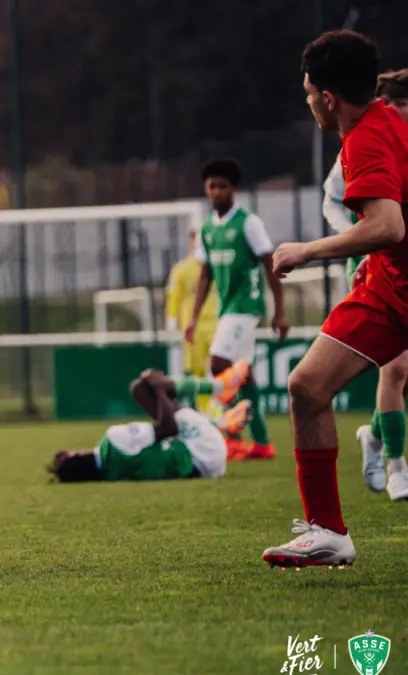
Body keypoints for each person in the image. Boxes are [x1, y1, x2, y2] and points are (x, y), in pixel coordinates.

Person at [264, 31, 408, 568]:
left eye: (307, 92)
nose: (307, 103)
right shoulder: (383, 119)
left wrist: (308, 250)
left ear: (327, 98)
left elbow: (387, 224)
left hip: (395, 280)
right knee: (306, 386)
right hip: (389, 285)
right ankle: (327, 531)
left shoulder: (368, 137)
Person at [185, 158, 289, 461]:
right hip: (227, 308)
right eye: (211, 186)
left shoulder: (248, 223)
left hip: (247, 305)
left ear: (233, 189)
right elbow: (205, 276)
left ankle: (231, 437)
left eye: (222, 186)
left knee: (218, 365)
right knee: (245, 377)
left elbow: (271, 266)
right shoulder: (206, 228)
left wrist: (279, 311)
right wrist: (192, 318)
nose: (216, 191)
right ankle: (261, 442)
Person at [349, 69, 408, 501]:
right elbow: (368, 217)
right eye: (398, 105)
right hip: (384, 273)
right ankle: (398, 466)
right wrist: (364, 257)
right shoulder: (363, 144)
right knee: (397, 368)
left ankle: (373, 436)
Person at [48, 365, 252, 484]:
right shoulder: (113, 440)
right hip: (206, 449)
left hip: (207, 469)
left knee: (164, 413)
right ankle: (219, 389)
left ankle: (220, 421)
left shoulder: (110, 475)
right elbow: (168, 427)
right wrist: (159, 388)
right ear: (78, 455)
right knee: (141, 388)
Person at [165, 227, 219, 414]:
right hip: (192, 326)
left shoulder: (216, 266)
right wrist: (172, 318)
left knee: (219, 365)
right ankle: (203, 408)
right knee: (196, 369)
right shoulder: (182, 270)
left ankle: (221, 405)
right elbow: (174, 295)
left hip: (215, 323)